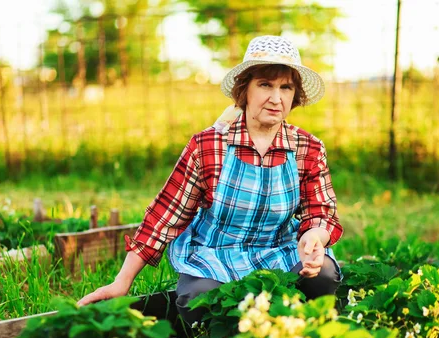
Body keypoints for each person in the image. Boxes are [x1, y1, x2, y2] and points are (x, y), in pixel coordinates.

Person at [78, 35, 344, 323]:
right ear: (245, 89)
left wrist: (313, 238)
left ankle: (294, 336)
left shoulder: (308, 148)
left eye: (286, 87)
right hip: (215, 257)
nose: (276, 98)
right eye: (265, 84)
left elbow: (322, 212)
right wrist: (122, 282)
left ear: (295, 95)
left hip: (278, 253)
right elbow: (165, 216)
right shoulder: (208, 146)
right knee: (199, 298)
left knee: (324, 275)